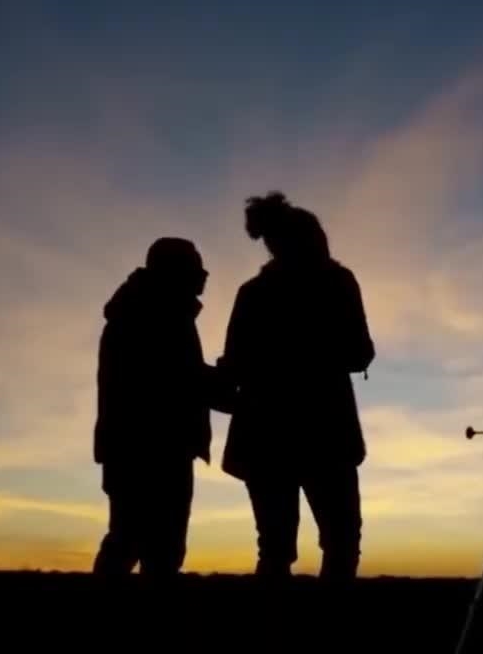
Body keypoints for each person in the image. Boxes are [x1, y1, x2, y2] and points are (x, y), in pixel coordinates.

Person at [216, 192, 375, 582]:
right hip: (326, 433)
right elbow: (359, 354)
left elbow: (233, 365)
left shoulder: (253, 293)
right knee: (340, 541)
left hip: (264, 435)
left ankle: (276, 621)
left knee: (275, 547)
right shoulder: (338, 283)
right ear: (313, 239)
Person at [92, 237, 213, 578]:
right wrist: (241, 392)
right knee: (141, 543)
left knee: (142, 543)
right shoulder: (154, 314)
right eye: (196, 268)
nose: (203, 276)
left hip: (145, 447)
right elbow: (179, 379)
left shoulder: (152, 311)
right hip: (151, 447)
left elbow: (184, 377)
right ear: (175, 272)